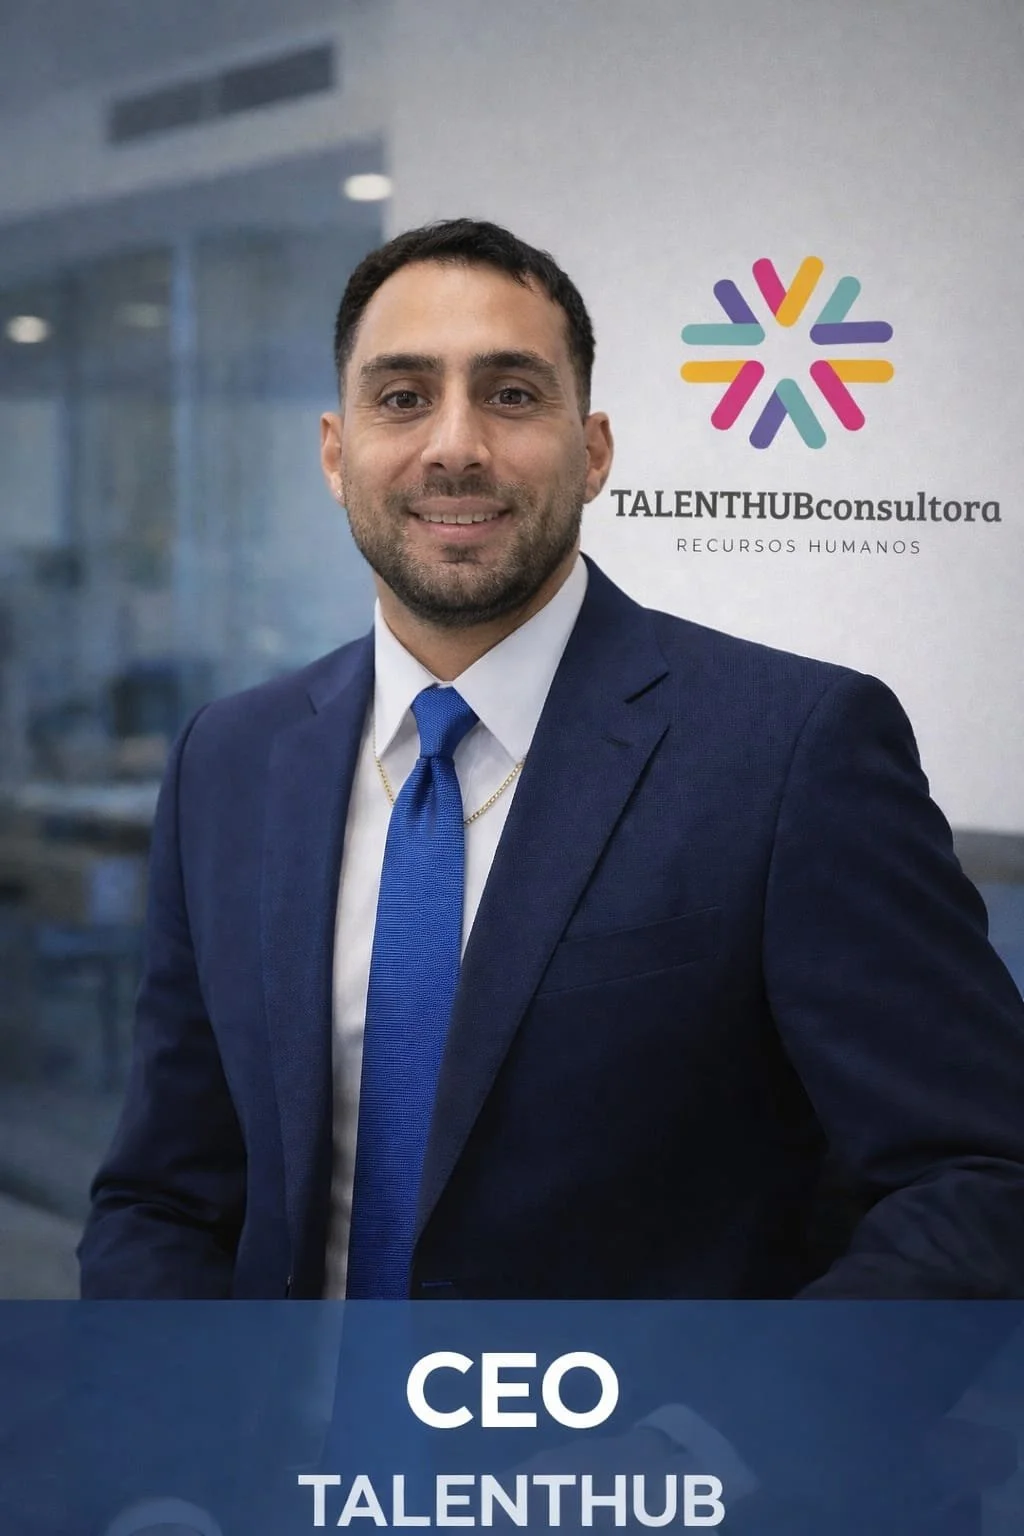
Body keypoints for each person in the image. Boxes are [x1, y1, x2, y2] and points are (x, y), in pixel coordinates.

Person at [78, 218, 1024, 1302]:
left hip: (634, 1465)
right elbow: (164, 1194)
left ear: (595, 451)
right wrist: (157, 1449)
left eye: (513, 394)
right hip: (280, 1466)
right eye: (402, 397)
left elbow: (979, 1170)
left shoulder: (792, 749)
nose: (453, 446)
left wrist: (710, 1455)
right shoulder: (230, 761)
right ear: (337, 456)